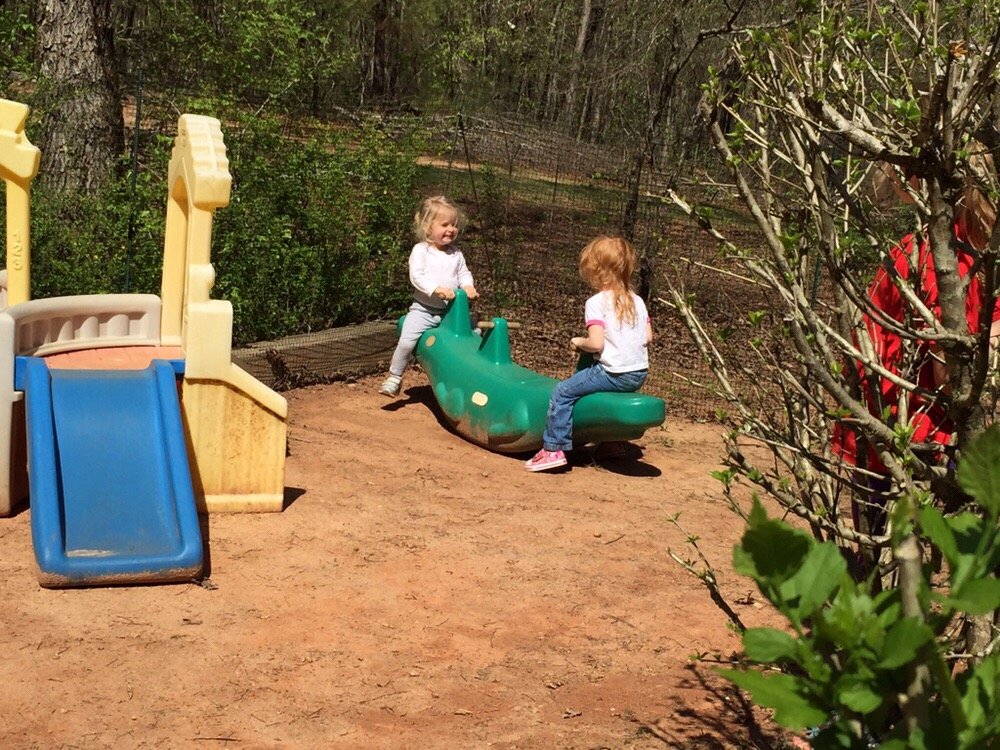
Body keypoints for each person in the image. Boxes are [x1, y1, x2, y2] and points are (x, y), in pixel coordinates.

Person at [834, 158, 1000, 535]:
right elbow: (947, 371)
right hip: (897, 415)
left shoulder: (965, 258)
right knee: (885, 529)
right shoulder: (937, 261)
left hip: (899, 413)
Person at [524, 236, 652, 472]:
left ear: (597, 271)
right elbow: (648, 337)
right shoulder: (638, 301)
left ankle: (553, 449)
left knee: (562, 393)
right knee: (604, 396)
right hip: (639, 372)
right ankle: (610, 445)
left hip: (614, 373)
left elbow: (596, 344)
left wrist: (578, 341)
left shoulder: (596, 302)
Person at [379, 196, 478, 397]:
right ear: (428, 227)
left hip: (451, 312)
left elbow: (464, 273)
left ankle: (471, 378)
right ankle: (394, 377)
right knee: (407, 341)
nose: (451, 229)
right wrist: (436, 289)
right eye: (445, 224)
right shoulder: (421, 251)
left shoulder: (456, 254)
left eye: (454, 225)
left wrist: (468, 286)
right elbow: (417, 276)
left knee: (475, 334)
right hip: (424, 310)